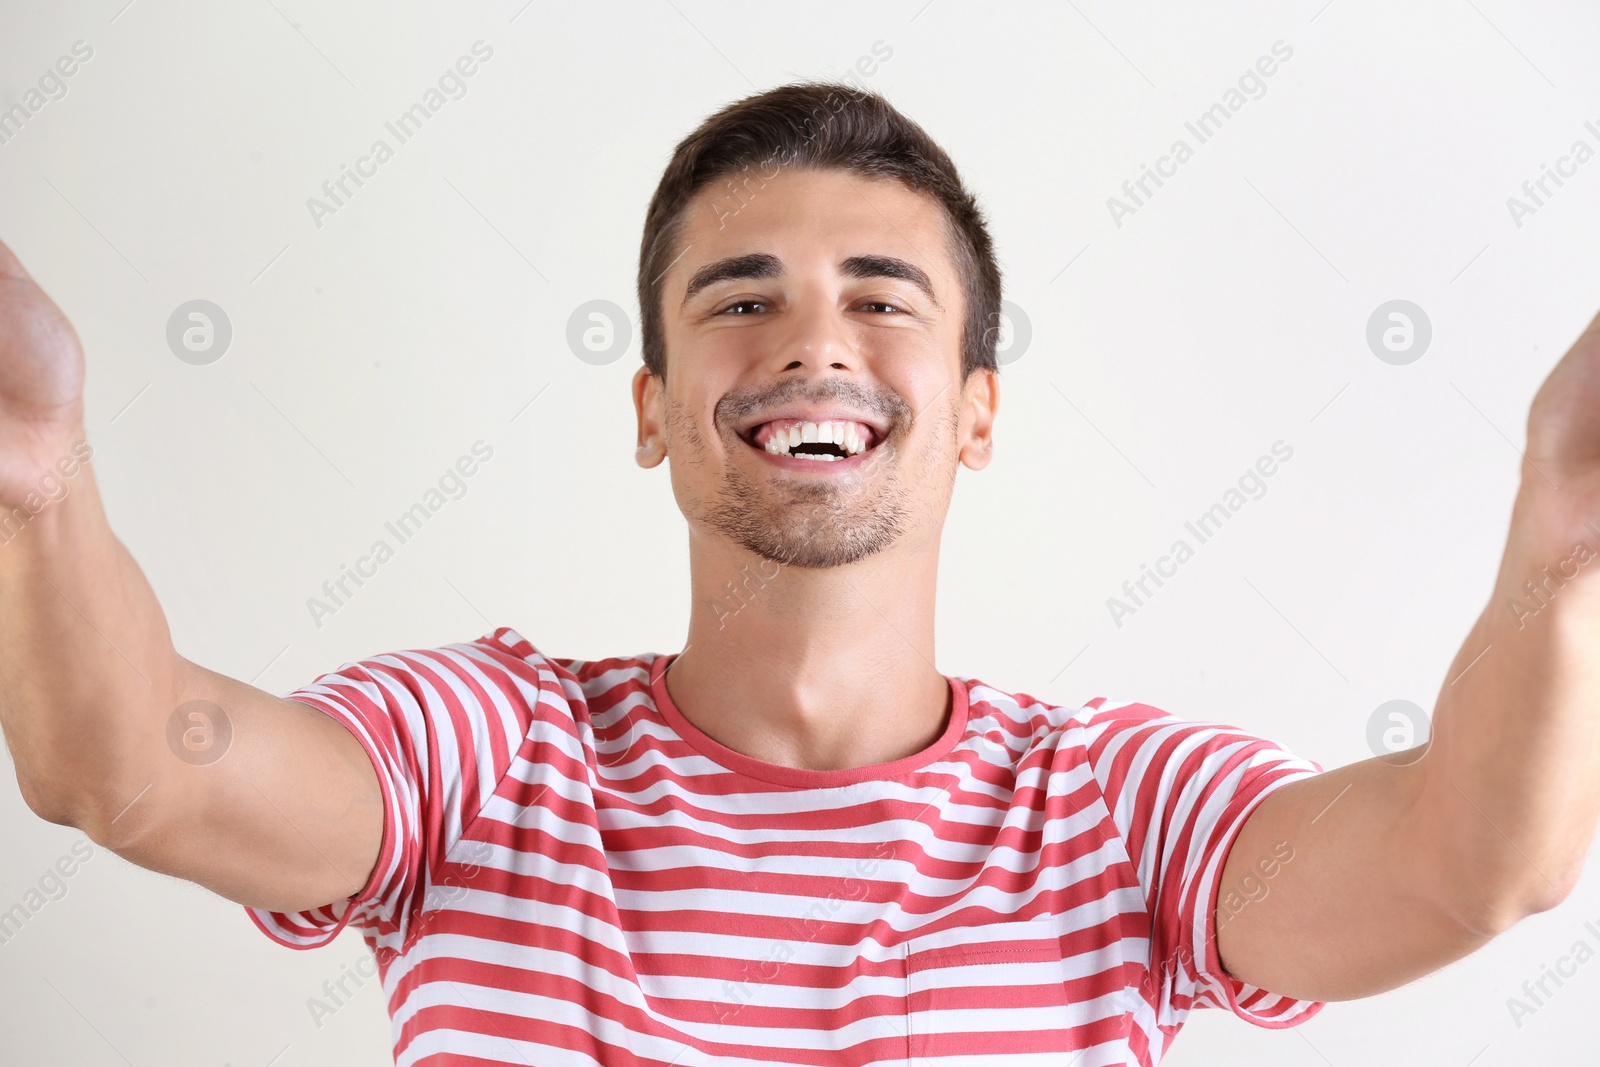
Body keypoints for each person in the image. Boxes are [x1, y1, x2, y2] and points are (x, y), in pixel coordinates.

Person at [3, 80, 1598, 1067]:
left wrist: (1560, 551)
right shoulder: (480, 755)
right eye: (741, 300)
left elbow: (1472, 863)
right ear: (653, 409)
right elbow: (131, 767)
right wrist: (37, 481)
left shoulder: (1118, 810)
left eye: (883, 298)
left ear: (978, 412)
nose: (815, 342)